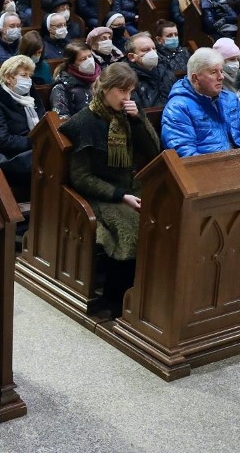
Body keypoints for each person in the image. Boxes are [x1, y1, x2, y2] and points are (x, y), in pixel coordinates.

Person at [59, 63, 161, 316]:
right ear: (104, 89)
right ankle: (114, 299)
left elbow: (153, 150)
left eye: (131, 92)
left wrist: (138, 120)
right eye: (121, 91)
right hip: (100, 195)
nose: (127, 98)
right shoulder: (83, 123)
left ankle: (151, 291)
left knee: (165, 215)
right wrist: (120, 196)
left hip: (131, 186)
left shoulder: (129, 116)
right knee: (130, 227)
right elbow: (81, 178)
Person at [162, 48, 240, 157]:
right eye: (213, 72)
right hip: (207, 169)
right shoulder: (178, 107)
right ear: (195, 78)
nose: (221, 77)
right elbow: (185, 154)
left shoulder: (230, 99)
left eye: (221, 71)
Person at [0, 55, 46, 190]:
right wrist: (34, 142)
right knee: (47, 160)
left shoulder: (32, 98)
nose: (28, 80)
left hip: (34, 149)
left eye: (30, 76)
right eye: (24, 75)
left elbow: (44, 124)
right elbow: (1, 139)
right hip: (10, 155)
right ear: (9, 78)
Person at [125, 32, 175, 109]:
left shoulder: (167, 72)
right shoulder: (127, 79)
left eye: (154, 48)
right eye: (146, 50)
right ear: (132, 57)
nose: (153, 52)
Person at [51, 40, 100, 119]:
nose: (89, 61)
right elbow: (62, 120)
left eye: (90, 56)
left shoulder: (102, 78)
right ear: (72, 64)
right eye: (83, 59)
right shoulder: (61, 88)